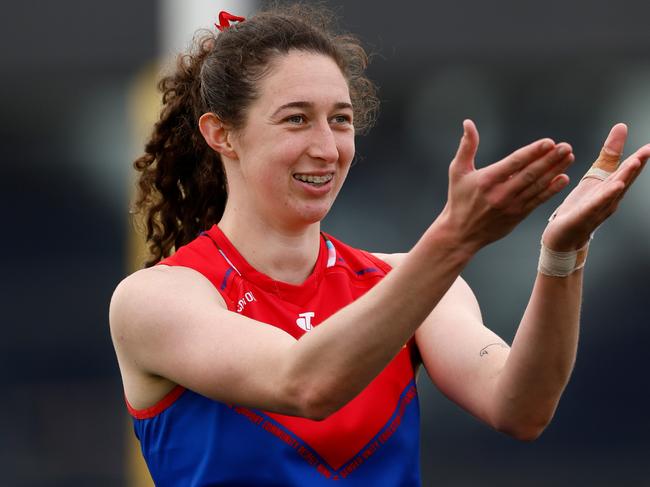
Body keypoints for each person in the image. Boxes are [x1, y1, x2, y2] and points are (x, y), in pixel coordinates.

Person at [109, 4, 649, 486]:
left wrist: (562, 256)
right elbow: (305, 384)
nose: (326, 147)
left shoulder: (407, 279)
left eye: (339, 120)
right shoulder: (156, 300)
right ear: (221, 134)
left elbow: (521, 407)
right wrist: (454, 238)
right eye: (296, 119)